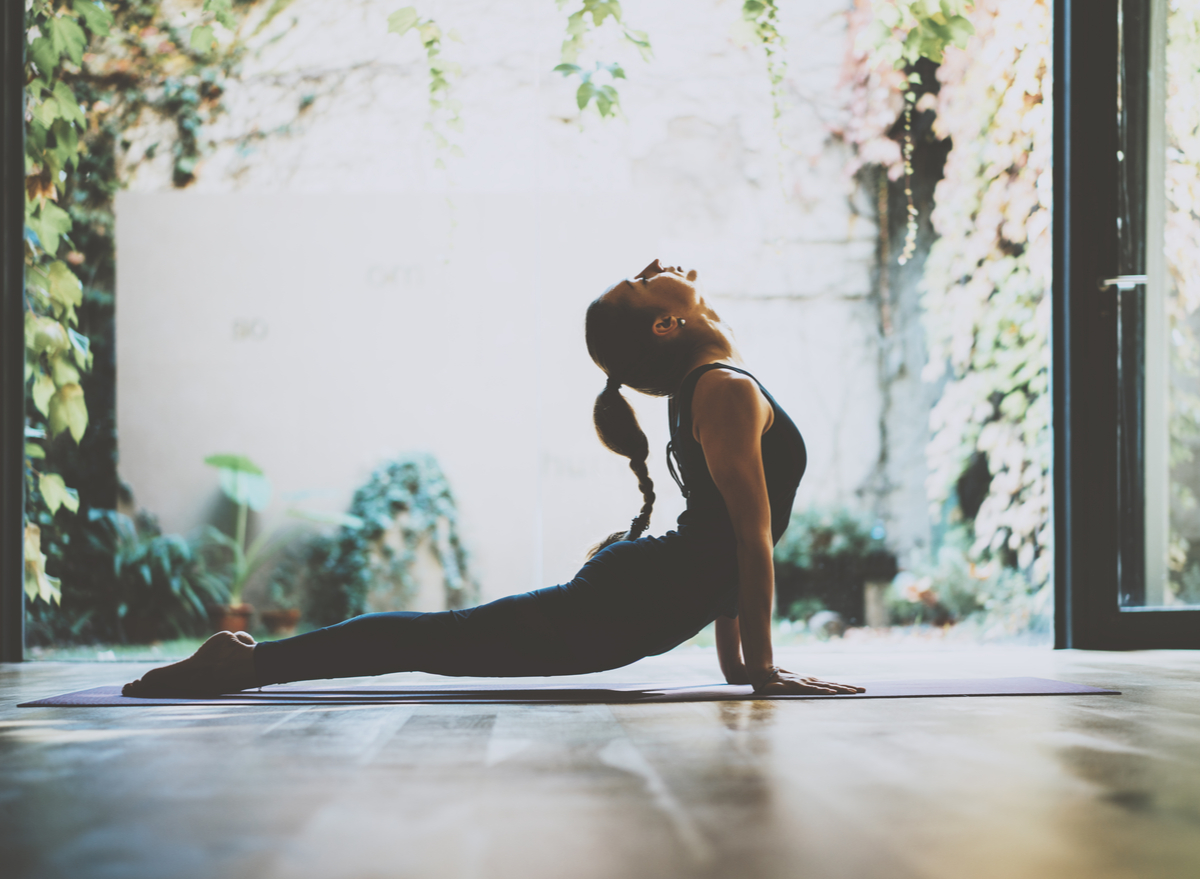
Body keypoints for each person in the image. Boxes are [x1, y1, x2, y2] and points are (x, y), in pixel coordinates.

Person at [123, 260, 863, 698]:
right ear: (666, 324)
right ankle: (247, 661)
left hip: (645, 597)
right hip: (634, 600)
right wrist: (760, 668)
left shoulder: (709, 387)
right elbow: (746, 536)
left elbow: (726, 542)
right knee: (441, 639)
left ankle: (249, 661)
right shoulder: (723, 388)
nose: (669, 268)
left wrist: (739, 664)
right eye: (645, 278)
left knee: (446, 639)